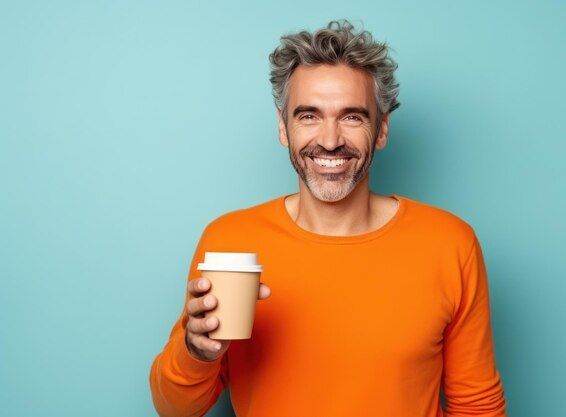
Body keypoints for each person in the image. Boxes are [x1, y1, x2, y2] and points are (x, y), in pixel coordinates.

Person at [150, 20, 507, 417]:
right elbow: (175, 409)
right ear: (283, 128)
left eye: (352, 117)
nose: (331, 139)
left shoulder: (449, 243)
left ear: (382, 129)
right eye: (309, 116)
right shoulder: (230, 241)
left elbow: (477, 406)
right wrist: (196, 351)